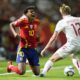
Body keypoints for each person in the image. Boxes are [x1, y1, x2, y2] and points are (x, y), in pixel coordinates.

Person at [40, 4, 80, 77]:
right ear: (69, 11)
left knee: (52, 59)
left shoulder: (62, 22)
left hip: (71, 45)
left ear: (61, 13)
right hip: (79, 45)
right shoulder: (78, 19)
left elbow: (54, 37)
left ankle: (43, 73)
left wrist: (45, 48)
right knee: (74, 56)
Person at [7, 6, 40, 76]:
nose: (33, 13)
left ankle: (30, 62)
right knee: (21, 72)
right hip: (23, 48)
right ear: (26, 14)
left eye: (34, 11)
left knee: (37, 73)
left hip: (33, 49)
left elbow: (33, 32)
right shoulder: (22, 21)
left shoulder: (37, 22)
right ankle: (10, 66)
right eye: (31, 11)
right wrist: (15, 33)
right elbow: (11, 24)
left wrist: (36, 37)